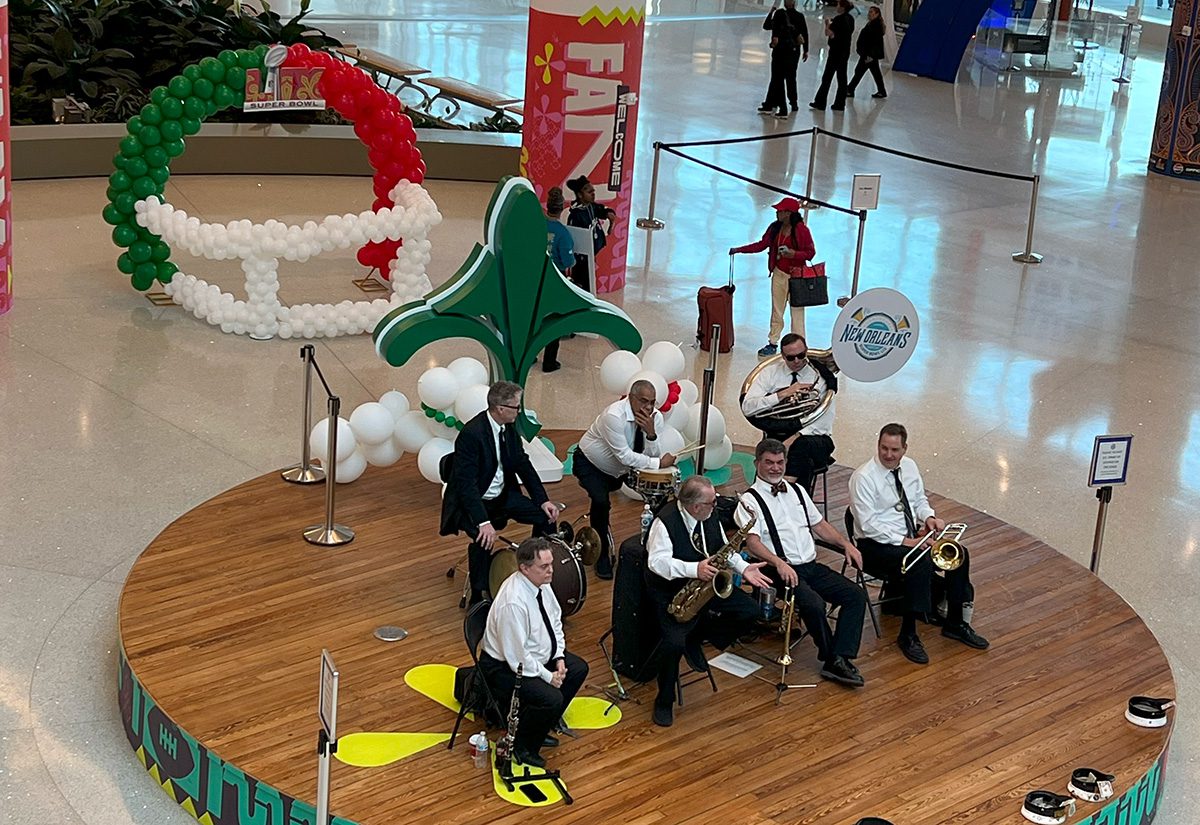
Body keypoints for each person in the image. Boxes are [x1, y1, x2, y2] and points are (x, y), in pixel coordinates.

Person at [849, 423, 989, 665]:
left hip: (908, 536)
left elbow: (918, 500)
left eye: (894, 449)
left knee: (960, 555)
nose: (889, 455)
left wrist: (929, 518)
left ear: (904, 448)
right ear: (878, 445)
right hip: (874, 546)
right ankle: (908, 633)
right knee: (919, 563)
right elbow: (869, 526)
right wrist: (908, 541)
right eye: (884, 448)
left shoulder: (909, 466)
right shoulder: (863, 478)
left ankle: (956, 622)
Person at [736, 439, 867, 686]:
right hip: (778, 570)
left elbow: (820, 525)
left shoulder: (797, 491)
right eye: (769, 463)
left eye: (780, 462)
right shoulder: (749, 500)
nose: (775, 468)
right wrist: (778, 563)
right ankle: (832, 659)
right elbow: (752, 543)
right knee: (814, 605)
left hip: (810, 566)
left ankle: (840, 656)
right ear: (757, 464)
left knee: (855, 595)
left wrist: (845, 544)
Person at [646, 476, 771, 727]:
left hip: (708, 585)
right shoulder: (665, 522)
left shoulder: (708, 514)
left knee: (749, 611)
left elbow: (724, 547)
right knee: (673, 644)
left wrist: (744, 568)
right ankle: (664, 700)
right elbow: (656, 563)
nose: (716, 506)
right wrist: (695, 569)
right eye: (712, 502)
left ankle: (699, 638)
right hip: (673, 592)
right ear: (695, 506)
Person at [439, 381, 559, 606]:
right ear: (500, 408)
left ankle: (536, 569)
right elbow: (466, 486)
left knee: (545, 518)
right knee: (483, 540)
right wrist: (482, 521)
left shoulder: (508, 429)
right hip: (475, 503)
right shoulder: (471, 435)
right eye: (516, 407)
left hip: (502, 496)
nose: (519, 411)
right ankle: (480, 595)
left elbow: (523, 464)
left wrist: (542, 500)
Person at [479, 537, 589, 769]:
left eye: (551, 564)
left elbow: (556, 621)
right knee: (551, 697)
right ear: (525, 568)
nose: (551, 570)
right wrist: (549, 677)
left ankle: (539, 725)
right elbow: (517, 659)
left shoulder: (542, 583)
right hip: (503, 667)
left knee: (578, 668)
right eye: (544, 566)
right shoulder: (514, 603)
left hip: (536, 655)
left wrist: (559, 656)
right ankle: (522, 745)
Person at [575, 380, 678, 579]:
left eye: (652, 402)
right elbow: (624, 455)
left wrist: (651, 434)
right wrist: (658, 463)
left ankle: (658, 546)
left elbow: (652, 452)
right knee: (600, 502)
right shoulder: (613, 416)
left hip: (625, 469)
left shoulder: (654, 418)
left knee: (660, 494)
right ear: (630, 398)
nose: (648, 407)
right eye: (643, 401)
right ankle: (601, 553)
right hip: (591, 465)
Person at [740, 333, 837, 492]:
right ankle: (796, 500)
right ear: (783, 356)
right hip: (780, 435)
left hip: (816, 438)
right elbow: (748, 407)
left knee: (801, 446)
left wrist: (793, 438)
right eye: (791, 358)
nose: (797, 361)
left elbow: (823, 421)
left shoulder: (820, 378)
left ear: (806, 351)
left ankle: (775, 492)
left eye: (801, 355)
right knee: (799, 458)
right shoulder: (770, 372)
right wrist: (782, 394)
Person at [729, 197, 816, 357]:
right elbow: (761, 245)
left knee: (797, 312)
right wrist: (739, 250)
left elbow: (810, 253)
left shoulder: (802, 231)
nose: (777, 213)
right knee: (777, 310)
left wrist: (793, 254)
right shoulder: (775, 228)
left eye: (780, 211)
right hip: (779, 273)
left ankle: (800, 347)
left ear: (789, 213)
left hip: (797, 277)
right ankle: (772, 342)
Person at [540, 187, 575, 374]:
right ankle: (549, 361)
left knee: (535, 318)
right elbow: (569, 261)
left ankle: (528, 357)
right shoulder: (563, 233)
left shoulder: (537, 226)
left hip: (536, 278)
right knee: (553, 320)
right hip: (555, 281)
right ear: (562, 208)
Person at [757, 0, 810, 119]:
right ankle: (792, 103)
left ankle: (772, 104)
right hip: (793, 52)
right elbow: (804, 34)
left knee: (777, 79)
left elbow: (766, 26)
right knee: (790, 78)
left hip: (781, 53)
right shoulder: (798, 17)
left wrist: (771, 12)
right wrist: (806, 49)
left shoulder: (779, 16)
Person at [566, 175, 616, 291]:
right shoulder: (575, 216)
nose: (593, 193)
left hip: (591, 254)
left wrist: (609, 213)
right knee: (582, 283)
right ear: (580, 195)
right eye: (589, 192)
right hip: (581, 259)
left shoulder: (592, 207)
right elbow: (574, 239)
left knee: (589, 280)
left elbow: (603, 209)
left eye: (593, 191)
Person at [810, 0, 855, 112]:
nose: (837, 7)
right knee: (842, 78)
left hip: (835, 52)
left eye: (839, 5)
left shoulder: (839, 20)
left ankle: (820, 102)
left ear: (843, 7)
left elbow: (829, 33)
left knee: (827, 77)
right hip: (845, 52)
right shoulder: (850, 19)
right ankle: (840, 104)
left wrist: (827, 24)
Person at [846, 5, 887, 100]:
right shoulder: (873, 24)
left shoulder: (875, 25)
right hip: (869, 54)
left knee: (859, 71)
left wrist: (869, 55)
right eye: (869, 12)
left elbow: (873, 42)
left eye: (872, 12)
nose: (869, 14)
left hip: (869, 55)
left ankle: (850, 89)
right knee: (875, 73)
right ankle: (882, 91)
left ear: (877, 14)